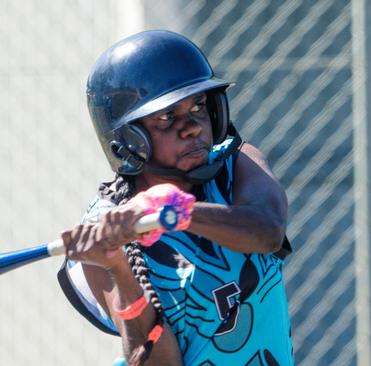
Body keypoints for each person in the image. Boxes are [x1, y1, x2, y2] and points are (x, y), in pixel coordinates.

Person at [57, 30, 294, 366]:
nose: (193, 127)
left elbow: (267, 231)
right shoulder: (106, 231)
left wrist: (180, 211)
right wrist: (118, 269)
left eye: (198, 106)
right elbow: (159, 362)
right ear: (127, 139)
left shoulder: (235, 166)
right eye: (166, 117)